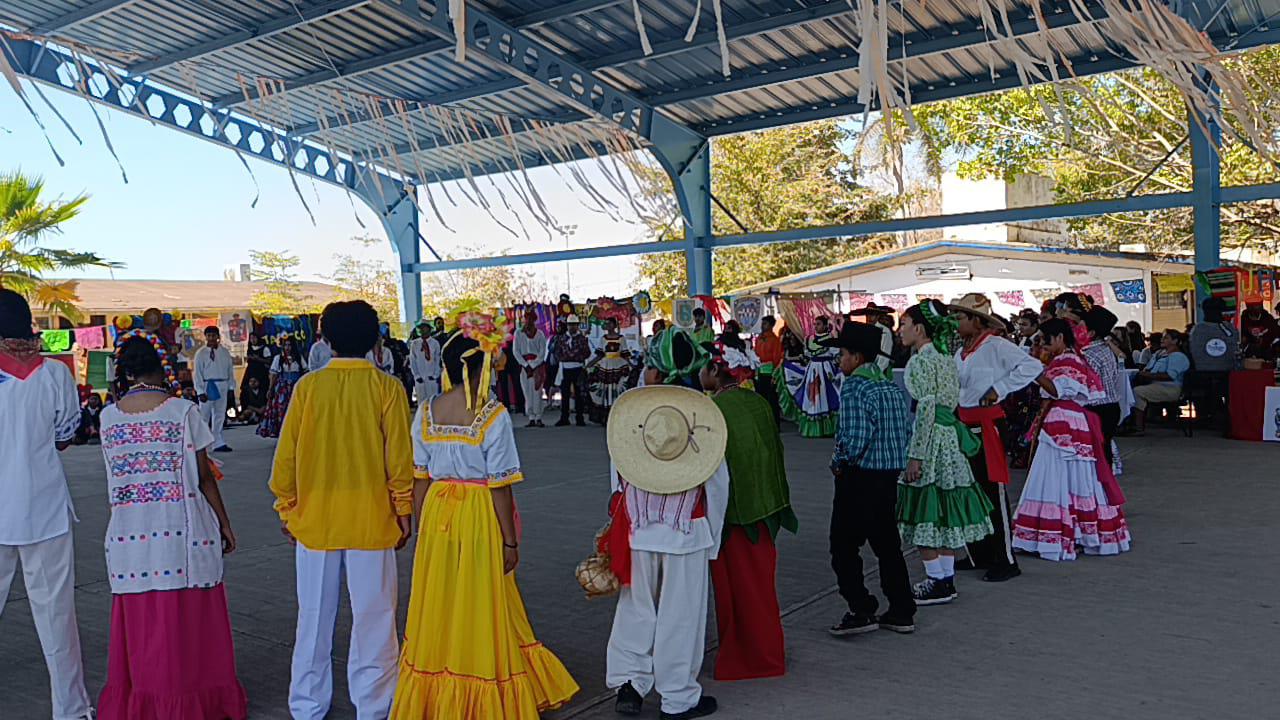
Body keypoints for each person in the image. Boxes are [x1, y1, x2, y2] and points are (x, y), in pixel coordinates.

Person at [393, 305, 578, 718]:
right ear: (483, 369)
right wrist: (509, 539)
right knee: (481, 596)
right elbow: (500, 486)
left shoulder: (425, 413)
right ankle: (479, 684)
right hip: (477, 512)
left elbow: (420, 478)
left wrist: (422, 527)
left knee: (441, 598)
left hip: (439, 512)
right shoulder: (492, 416)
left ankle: (437, 691)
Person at [269, 300, 414, 720]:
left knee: (313, 618)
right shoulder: (387, 388)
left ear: (325, 338)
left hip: (314, 521)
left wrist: (287, 504)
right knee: (375, 617)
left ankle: (307, 705)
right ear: (375, 338)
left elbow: (286, 459)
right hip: (373, 519)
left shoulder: (308, 388)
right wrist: (402, 508)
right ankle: (375, 705)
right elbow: (400, 462)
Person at [97, 336, 246, 719]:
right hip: (181, 532)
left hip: (128, 536)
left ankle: (145, 702)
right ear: (160, 367)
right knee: (187, 625)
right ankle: (189, 701)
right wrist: (225, 524)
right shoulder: (181, 412)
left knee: (144, 628)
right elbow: (204, 477)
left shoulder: (108, 418)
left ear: (126, 372)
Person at [604, 339, 727, 719]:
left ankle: (630, 683)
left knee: (635, 607)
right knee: (680, 616)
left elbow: (617, 478)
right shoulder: (701, 425)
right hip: (686, 532)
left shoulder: (636, 422)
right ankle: (677, 697)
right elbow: (718, 485)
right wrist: (714, 540)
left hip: (639, 529)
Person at [0, 289, 94, 720]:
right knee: (57, 616)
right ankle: (71, 710)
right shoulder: (55, 374)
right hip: (46, 508)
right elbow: (64, 438)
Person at [699, 342, 797, 681]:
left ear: (715, 371)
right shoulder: (757, 403)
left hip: (732, 517)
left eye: (704, 366)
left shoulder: (713, 410)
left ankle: (747, 659)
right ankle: (768, 653)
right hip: (766, 510)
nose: (699, 373)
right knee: (760, 588)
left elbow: (711, 471)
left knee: (735, 593)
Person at [896, 300, 995, 605]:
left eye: (903, 324)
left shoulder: (921, 362)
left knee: (925, 507)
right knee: (944, 509)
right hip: (950, 438)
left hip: (933, 440)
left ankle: (936, 579)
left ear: (919, 328)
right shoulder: (945, 359)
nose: (900, 330)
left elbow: (926, 409)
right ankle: (945, 579)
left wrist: (916, 455)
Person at [950, 293, 1052, 583]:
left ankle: (1005, 558)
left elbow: (1032, 367)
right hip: (965, 422)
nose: (957, 322)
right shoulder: (962, 351)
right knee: (972, 490)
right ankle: (981, 553)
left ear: (976, 320)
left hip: (988, 424)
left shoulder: (996, 346)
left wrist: (1000, 387)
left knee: (992, 489)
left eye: (960, 317)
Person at [1011, 319, 1131, 560]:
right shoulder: (1070, 359)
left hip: (1063, 421)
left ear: (1059, 338)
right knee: (1074, 479)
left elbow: (1057, 390)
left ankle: (1061, 533)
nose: (1043, 345)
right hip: (1068, 421)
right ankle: (1076, 532)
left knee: (1056, 477)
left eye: (1046, 340)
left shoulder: (1067, 360)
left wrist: (1034, 372)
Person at [824, 319, 915, 636]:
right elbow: (905, 430)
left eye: (843, 354)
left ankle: (860, 606)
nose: (840, 360)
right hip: (887, 476)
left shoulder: (855, 387)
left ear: (857, 357)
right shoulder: (889, 386)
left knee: (843, 546)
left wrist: (838, 461)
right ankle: (902, 609)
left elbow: (855, 436)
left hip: (859, 477)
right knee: (887, 545)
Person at [1080, 306, 1124, 465]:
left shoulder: (1088, 354)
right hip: (1111, 406)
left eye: (1080, 328)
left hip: (1096, 408)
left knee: (1097, 455)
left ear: (1090, 333)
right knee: (1104, 451)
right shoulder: (1105, 349)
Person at [1131, 329, 1192, 434]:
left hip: (1170, 388)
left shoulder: (1178, 357)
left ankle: (1138, 427)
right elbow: (1148, 368)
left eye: (1166, 338)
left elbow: (1170, 376)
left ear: (1175, 341)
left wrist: (1150, 375)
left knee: (1137, 392)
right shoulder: (1160, 354)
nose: (1162, 340)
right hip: (1155, 384)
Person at [791, 316, 843, 438]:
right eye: (815, 324)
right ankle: (815, 428)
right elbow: (806, 355)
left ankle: (826, 428)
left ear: (825, 326)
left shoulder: (831, 339)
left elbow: (836, 356)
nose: (816, 326)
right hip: (812, 369)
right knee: (812, 397)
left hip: (826, 370)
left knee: (824, 396)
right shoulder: (809, 339)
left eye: (818, 324)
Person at [193, 326, 234, 452]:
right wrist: (200, 391)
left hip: (222, 383)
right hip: (207, 385)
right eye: (208, 335)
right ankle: (201, 443)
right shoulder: (201, 353)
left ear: (218, 337)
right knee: (204, 415)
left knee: (219, 414)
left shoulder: (225, 352)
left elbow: (230, 371)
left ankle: (218, 441)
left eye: (213, 335)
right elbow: (198, 373)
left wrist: (231, 387)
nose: (211, 338)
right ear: (205, 337)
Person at [257, 337, 307, 439]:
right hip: (282, 389)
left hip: (295, 387)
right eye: (285, 345)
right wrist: (270, 389)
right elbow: (273, 375)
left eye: (289, 345)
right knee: (281, 410)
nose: (287, 348)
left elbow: (305, 372)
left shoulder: (298, 358)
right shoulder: (278, 358)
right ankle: (282, 432)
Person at [588, 317, 634, 424]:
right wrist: (590, 364)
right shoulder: (603, 339)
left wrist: (632, 365)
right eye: (606, 324)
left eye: (609, 324)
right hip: (606, 366)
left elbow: (625, 354)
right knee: (605, 389)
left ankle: (616, 413)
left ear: (614, 325)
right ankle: (605, 416)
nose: (607, 326)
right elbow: (599, 355)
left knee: (617, 388)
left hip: (618, 365)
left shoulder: (621, 338)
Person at [552, 314, 591, 427]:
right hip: (565, 368)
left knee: (579, 394)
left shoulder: (582, 339)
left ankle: (580, 417)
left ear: (577, 326)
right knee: (565, 394)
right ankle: (564, 417)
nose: (572, 327)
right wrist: (568, 357)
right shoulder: (562, 338)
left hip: (577, 368)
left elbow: (586, 352)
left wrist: (574, 357)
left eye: (574, 325)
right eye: (570, 325)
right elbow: (557, 352)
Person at [513, 310, 549, 427]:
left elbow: (542, 352)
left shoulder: (540, 334)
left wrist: (533, 365)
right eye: (526, 319)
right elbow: (516, 351)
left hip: (537, 367)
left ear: (534, 320)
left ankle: (538, 416)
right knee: (527, 392)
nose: (528, 321)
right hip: (524, 367)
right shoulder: (518, 333)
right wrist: (525, 365)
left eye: (530, 319)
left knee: (537, 392)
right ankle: (531, 417)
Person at [753, 315, 784, 424]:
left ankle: (774, 423)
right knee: (761, 399)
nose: (762, 326)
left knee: (772, 400)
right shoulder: (759, 339)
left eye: (765, 323)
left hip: (770, 373)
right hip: (760, 372)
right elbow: (755, 354)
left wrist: (774, 375)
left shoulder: (774, 340)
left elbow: (777, 358)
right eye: (762, 323)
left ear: (771, 325)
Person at [409, 319, 442, 407]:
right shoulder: (415, 344)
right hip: (420, 377)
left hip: (432, 377)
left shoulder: (435, 343)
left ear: (429, 329)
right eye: (420, 328)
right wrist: (417, 376)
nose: (422, 330)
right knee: (422, 403)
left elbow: (437, 360)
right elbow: (412, 361)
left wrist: (435, 375)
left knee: (433, 402)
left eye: (424, 328)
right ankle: (422, 420)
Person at [240, 332, 274, 404]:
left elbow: (269, 361)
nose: (253, 340)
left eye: (254, 338)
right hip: (250, 372)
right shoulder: (250, 348)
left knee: (263, 389)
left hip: (261, 372)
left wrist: (258, 359)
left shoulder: (264, 348)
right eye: (251, 338)